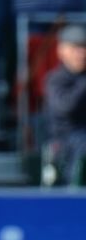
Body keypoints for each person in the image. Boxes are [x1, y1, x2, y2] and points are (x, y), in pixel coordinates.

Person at [42, 24, 86, 187]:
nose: (81, 53)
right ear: (62, 50)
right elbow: (66, 107)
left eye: (84, 48)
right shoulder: (55, 80)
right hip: (64, 141)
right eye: (76, 48)